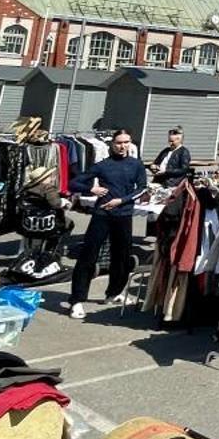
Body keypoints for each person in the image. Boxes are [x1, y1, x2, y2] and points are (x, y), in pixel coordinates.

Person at [68, 128, 149, 320]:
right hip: (102, 214)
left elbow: (142, 188)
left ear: (130, 143)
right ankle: (77, 300)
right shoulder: (103, 165)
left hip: (124, 214)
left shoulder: (136, 164)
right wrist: (91, 188)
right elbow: (74, 183)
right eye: (119, 142)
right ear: (112, 144)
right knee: (89, 255)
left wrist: (121, 200)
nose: (122, 146)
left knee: (121, 256)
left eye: (126, 142)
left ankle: (113, 293)